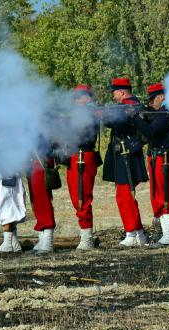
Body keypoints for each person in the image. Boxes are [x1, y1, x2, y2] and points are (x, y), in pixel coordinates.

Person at [102, 78, 148, 247]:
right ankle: (138, 232)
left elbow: (116, 122)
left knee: (124, 195)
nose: (113, 96)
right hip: (122, 153)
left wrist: (103, 115)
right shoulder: (126, 106)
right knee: (125, 195)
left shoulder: (131, 105)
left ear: (121, 91)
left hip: (126, 153)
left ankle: (131, 232)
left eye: (114, 92)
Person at [132, 83, 169, 246]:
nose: (151, 103)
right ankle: (167, 234)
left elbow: (150, 132)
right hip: (159, 157)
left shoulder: (167, 113)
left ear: (162, 97)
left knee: (165, 195)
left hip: (164, 158)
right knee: (160, 194)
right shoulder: (162, 112)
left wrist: (135, 118)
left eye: (153, 99)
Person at [65, 84, 101, 250]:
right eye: (76, 97)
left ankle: (87, 237)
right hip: (74, 156)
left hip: (83, 156)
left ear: (87, 98)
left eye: (81, 96)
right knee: (76, 197)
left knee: (82, 197)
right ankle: (85, 233)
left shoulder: (90, 113)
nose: (78, 100)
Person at [28, 136, 58, 253]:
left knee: (43, 199)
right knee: (36, 200)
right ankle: (42, 238)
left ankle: (48, 239)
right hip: (33, 158)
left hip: (42, 157)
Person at [0, 174, 25, 253]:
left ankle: (7, 244)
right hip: (9, 175)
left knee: (6, 210)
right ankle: (14, 244)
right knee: (11, 209)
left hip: (6, 176)